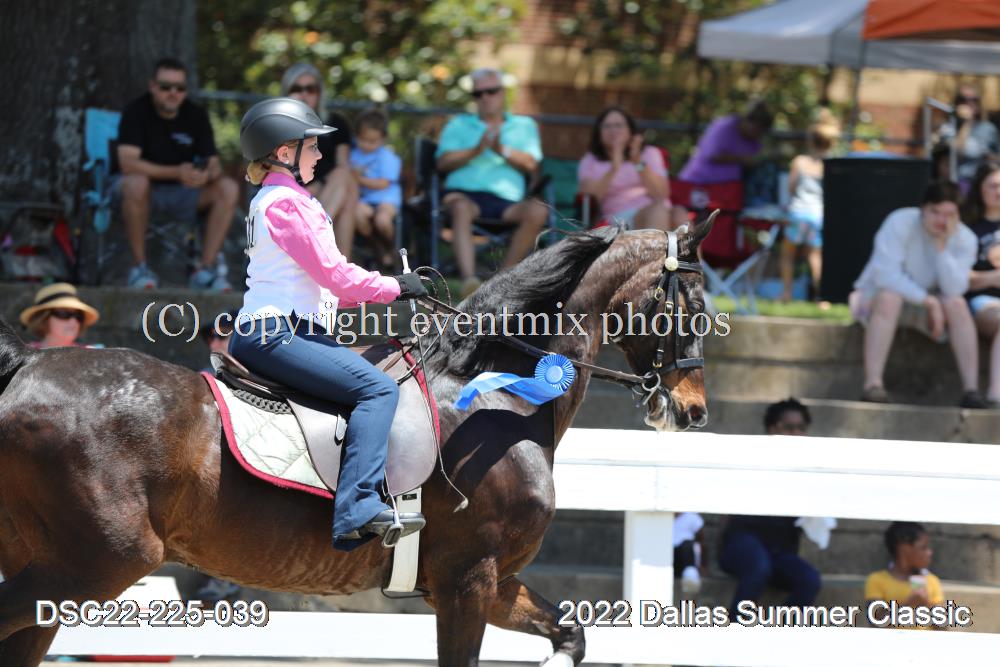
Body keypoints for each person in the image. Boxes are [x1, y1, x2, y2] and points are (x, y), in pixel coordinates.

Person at [231, 97, 429, 551]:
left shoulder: (279, 200)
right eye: (312, 146)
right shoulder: (289, 205)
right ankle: (358, 508)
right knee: (379, 390)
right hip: (277, 333)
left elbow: (330, 292)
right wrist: (395, 285)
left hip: (285, 328)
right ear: (285, 152)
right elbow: (336, 275)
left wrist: (390, 296)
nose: (321, 155)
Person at [850, 181, 985, 408]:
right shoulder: (900, 221)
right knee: (889, 298)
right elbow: (885, 275)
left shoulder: (965, 239)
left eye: (949, 214)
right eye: (935, 212)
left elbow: (954, 289)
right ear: (923, 208)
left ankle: (971, 390)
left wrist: (942, 247)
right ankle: (873, 384)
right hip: (880, 302)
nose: (941, 220)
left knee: (958, 304)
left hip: (932, 311)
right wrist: (928, 301)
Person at [116, 57, 238, 290]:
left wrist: (205, 176)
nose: (173, 93)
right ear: (153, 86)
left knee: (228, 188)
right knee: (136, 183)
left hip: (184, 193)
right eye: (165, 87)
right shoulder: (135, 111)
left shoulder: (196, 115)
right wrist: (176, 172)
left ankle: (205, 270)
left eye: (179, 88)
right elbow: (128, 164)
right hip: (141, 194)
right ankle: (139, 268)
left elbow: (214, 165)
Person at [436, 68, 548, 298]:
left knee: (539, 211)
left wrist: (500, 149)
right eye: (478, 93)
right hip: (464, 196)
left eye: (491, 91)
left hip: (508, 201)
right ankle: (469, 281)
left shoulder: (524, 125)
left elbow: (531, 164)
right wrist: (476, 150)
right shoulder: (458, 125)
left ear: (503, 92)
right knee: (460, 207)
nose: (485, 97)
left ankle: (501, 283)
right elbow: (442, 163)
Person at [718, 399, 821, 615]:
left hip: (779, 552)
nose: (796, 433)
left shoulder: (808, 469)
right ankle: (733, 629)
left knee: (810, 579)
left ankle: (778, 632)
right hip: (743, 544)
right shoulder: (751, 459)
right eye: (789, 427)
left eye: (801, 428)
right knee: (758, 567)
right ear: (771, 428)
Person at [280, 63, 358, 246]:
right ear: (287, 91)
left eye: (311, 89)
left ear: (319, 93)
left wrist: (321, 184)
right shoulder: (277, 125)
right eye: (297, 89)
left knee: (344, 180)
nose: (304, 94)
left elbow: (343, 165)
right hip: (293, 191)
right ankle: (333, 256)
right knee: (347, 198)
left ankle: (315, 236)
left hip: (330, 189)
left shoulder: (336, 123)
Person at [577, 106, 688, 231]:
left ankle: (682, 244)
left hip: (661, 210)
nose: (613, 130)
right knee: (658, 211)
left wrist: (637, 161)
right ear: (599, 132)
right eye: (607, 126)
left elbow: (661, 194)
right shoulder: (590, 160)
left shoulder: (649, 153)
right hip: (620, 219)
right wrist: (614, 167)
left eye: (618, 125)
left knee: (680, 214)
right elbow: (590, 199)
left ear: (630, 130)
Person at [781, 110, 840, 303]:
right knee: (815, 257)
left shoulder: (800, 162)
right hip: (818, 215)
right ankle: (822, 297)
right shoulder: (831, 165)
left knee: (788, 256)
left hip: (798, 213)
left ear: (811, 141)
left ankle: (786, 294)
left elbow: (791, 188)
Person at [963, 161, 1000, 408]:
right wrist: (992, 278)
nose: (999, 191)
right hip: (981, 302)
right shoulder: (967, 228)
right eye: (993, 185)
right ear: (980, 189)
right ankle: (996, 396)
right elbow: (956, 278)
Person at [864, 522, 945, 629]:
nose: (929, 552)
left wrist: (927, 605)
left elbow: (943, 627)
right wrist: (908, 605)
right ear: (904, 548)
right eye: (923, 547)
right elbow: (875, 624)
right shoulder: (877, 580)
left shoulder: (931, 581)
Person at [350, 109, 403, 271]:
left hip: (386, 198)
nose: (367, 145)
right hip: (364, 199)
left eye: (372, 141)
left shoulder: (388, 157)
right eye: (363, 140)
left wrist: (358, 179)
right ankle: (377, 248)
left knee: (382, 220)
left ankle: (391, 248)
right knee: (358, 215)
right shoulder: (353, 155)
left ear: (383, 139)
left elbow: (383, 184)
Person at [678, 101, 773, 185]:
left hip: (728, 189)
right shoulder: (724, 126)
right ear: (750, 122)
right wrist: (743, 159)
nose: (758, 135)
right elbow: (712, 154)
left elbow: (758, 159)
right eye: (758, 130)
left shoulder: (754, 140)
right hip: (698, 184)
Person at [936, 84, 999, 188]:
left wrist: (990, 157)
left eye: (974, 99)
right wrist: (966, 123)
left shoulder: (988, 128)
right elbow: (958, 150)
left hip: (982, 183)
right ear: (957, 103)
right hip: (958, 183)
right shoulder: (948, 127)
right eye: (963, 99)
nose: (969, 103)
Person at [18, 283, 100, 349]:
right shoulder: (25, 355)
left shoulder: (92, 354)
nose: (73, 321)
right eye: (64, 314)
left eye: (79, 315)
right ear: (43, 318)